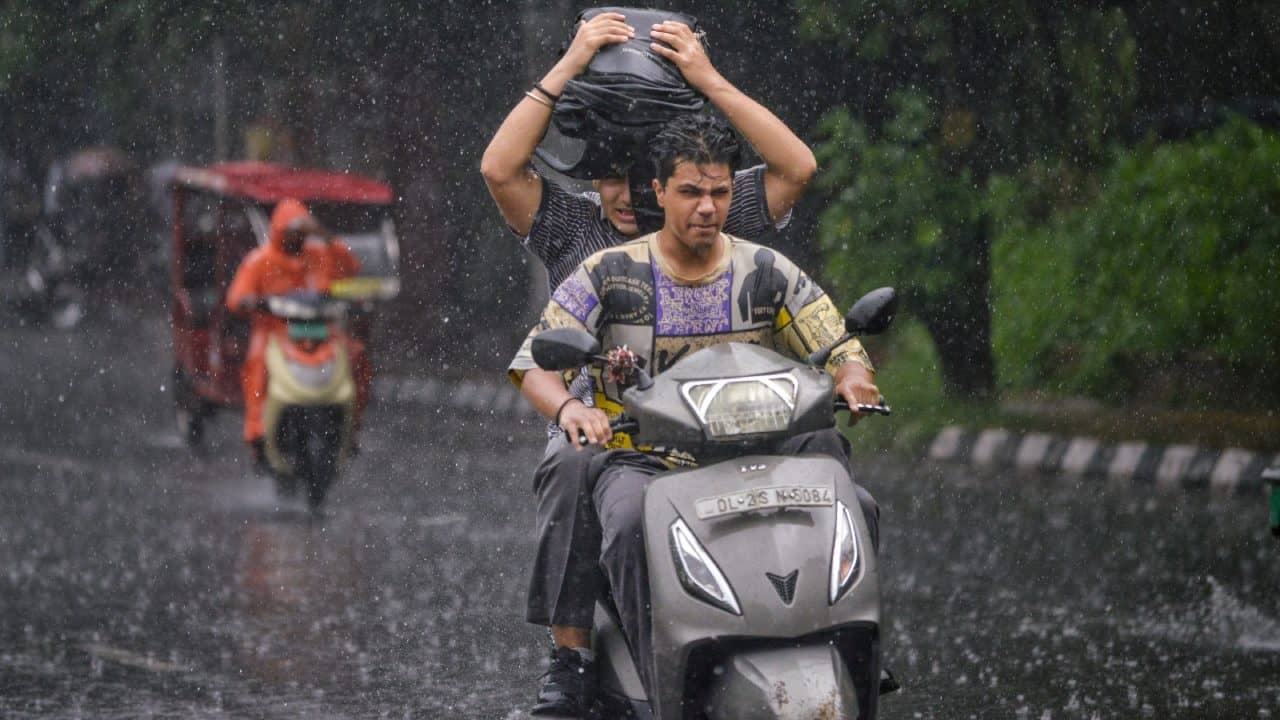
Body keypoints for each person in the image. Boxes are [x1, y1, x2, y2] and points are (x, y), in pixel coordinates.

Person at [481, 12, 821, 716]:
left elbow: (797, 167)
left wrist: (707, 79)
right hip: (609, 430)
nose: (628, 196)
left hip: (726, 420)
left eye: (644, 179)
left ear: (671, 183)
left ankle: (823, 623)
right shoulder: (574, 228)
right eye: (610, 177)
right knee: (572, 461)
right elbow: (498, 168)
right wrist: (569, 64)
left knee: (822, 451)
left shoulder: (710, 213)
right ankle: (571, 655)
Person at [508, 113, 883, 709]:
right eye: (690, 192)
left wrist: (855, 379)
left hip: (763, 452)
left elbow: (837, 342)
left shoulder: (766, 270)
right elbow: (535, 364)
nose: (706, 208)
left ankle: (851, 640)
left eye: (719, 192)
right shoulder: (609, 272)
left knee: (853, 499)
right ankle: (646, 668)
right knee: (627, 523)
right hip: (643, 460)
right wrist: (571, 409)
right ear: (658, 192)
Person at [225, 198, 371, 465]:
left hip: (321, 329)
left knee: (356, 356)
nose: (298, 239)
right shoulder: (260, 261)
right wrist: (250, 301)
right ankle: (257, 431)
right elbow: (237, 297)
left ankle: (351, 427)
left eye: (303, 233)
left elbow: (351, 268)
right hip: (276, 331)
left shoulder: (319, 255)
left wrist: (325, 236)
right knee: (257, 363)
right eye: (293, 233)